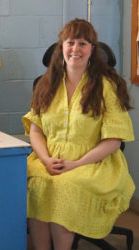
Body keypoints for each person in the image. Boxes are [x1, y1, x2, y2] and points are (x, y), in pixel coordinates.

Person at [22, 18, 135, 250]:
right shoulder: (47, 84)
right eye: (70, 42)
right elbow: (35, 130)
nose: (75, 49)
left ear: (92, 49)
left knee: (64, 187)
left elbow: (114, 140)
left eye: (83, 43)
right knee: (35, 183)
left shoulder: (107, 87)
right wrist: (44, 159)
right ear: (61, 47)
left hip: (93, 163)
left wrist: (75, 164)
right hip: (49, 158)